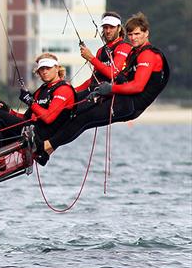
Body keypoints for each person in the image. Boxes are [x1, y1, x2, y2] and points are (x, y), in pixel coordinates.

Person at [41, 12, 170, 159]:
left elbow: (137, 86)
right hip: (124, 99)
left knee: (81, 117)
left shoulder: (147, 54)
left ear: (146, 33)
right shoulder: (135, 52)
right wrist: (74, 91)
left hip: (131, 104)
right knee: (81, 119)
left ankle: (45, 146)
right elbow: (119, 79)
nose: (133, 38)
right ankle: (47, 149)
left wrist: (109, 88)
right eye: (131, 34)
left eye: (137, 34)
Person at [0, 53, 76, 166]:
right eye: (42, 69)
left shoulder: (63, 89)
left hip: (38, 136)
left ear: (56, 68)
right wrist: (9, 111)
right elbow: (26, 118)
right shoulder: (42, 90)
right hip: (28, 130)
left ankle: (0, 159)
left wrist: (30, 102)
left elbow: (48, 118)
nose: (45, 71)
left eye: (48, 68)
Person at [76, 12, 131, 101]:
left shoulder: (124, 47)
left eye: (112, 27)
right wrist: (74, 90)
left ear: (119, 28)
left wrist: (91, 58)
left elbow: (113, 74)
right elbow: (93, 79)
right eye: (105, 27)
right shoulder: (101, 51)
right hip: (95, 92)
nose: (108, 31)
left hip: (110, 96)